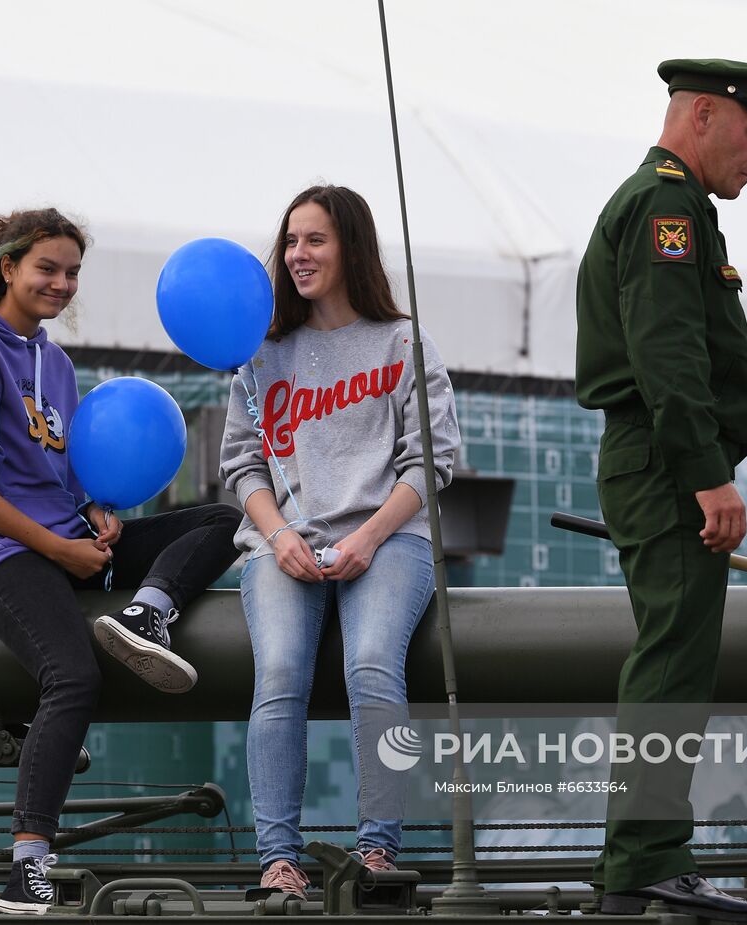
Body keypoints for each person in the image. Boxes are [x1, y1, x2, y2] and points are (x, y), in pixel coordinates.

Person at [0, 208, 241, 914]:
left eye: (72, 273)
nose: (61, 284)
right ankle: (27, 865)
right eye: (47, 269)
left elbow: (56, 471)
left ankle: (145, 614)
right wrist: (57, 545)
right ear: (7, 268)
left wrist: (91, 510)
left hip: (62, 537)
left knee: (225, 519)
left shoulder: (54, 364)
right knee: (70, 674)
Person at [574, 59, 747, 921]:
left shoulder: (668, 202)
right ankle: (646, 857)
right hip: (669, 468)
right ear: (703, 113)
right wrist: (710, 479)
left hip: (658, 463)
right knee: (671, 663)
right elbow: (668, 355)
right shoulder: (668, 206)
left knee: (673, 659)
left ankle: (645, 855)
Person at [219, 185, 460, 897]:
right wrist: (279, 534)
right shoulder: (262, 353)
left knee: (374, 663)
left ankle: (379, 850)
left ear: (351, 247)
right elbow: (242, 462)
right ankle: (278, 858)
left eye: (314, 240)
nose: (297, 254)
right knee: (282, 672)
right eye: (291, 241)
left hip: (389, 540)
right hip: (282, 544)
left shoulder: (403, 342)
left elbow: (432, 461)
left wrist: (369, 536)